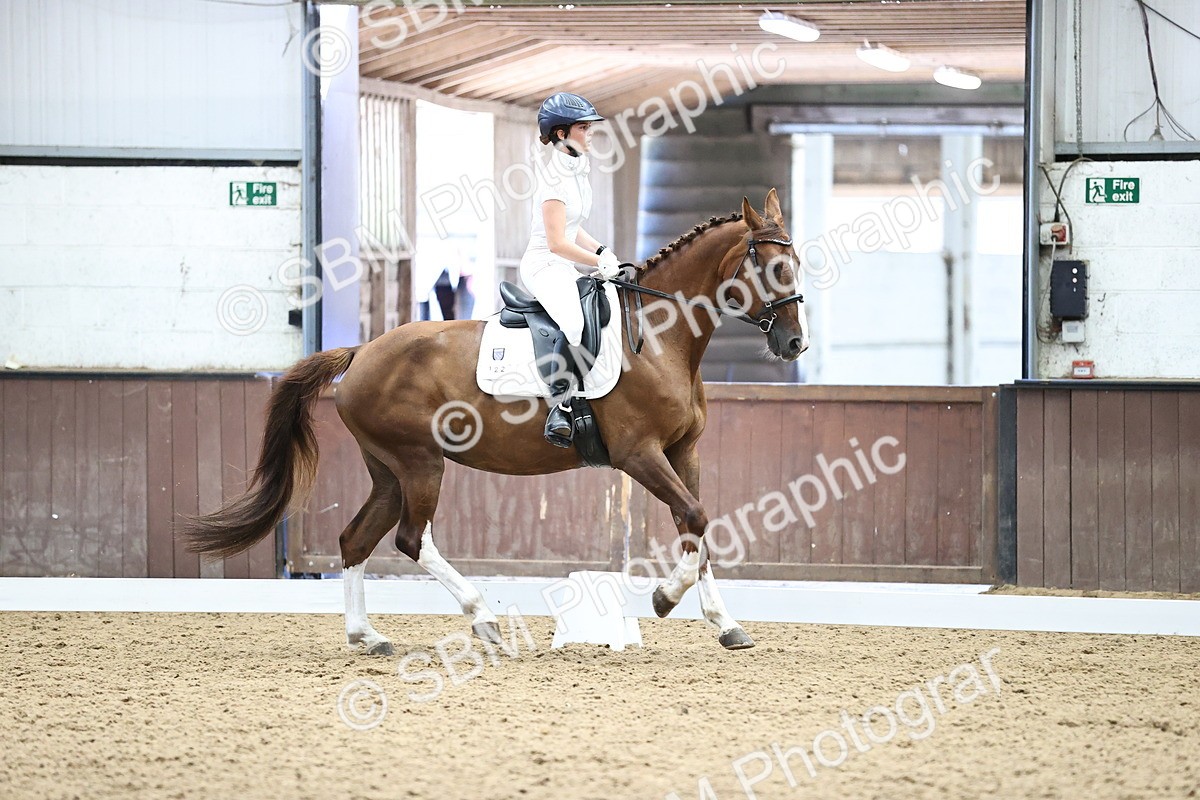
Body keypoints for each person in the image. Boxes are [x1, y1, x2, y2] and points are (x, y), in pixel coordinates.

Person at [520, 92, 625, 448]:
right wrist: (597, 263)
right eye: (584, 128)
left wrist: (601, 250)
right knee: (574, 322)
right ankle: (560, 405)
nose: (590, 133)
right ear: (562, 133)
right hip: (544, 264)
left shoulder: (578, 171)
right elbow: (556, 242)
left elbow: (573, 227)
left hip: (563, 263)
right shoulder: (553, 179)